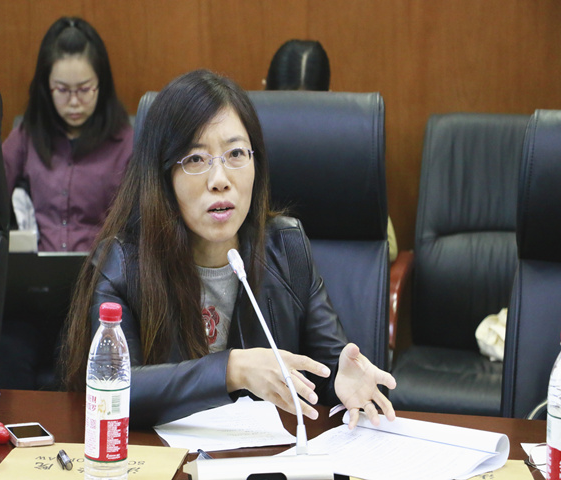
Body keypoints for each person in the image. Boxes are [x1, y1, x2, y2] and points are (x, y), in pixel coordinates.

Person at [62, 69, 396, 429]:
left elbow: (326, 370)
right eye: (195, 159)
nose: (220, 180)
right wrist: (231, 369)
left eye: (236, 153)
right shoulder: (122, 264)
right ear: (162, 176)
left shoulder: (286, 248)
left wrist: (341, 379)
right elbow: (112, 390)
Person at [3, 16, 133, 252]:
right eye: (62, 90)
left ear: (101, 84)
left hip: (104, 270)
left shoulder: (126, 143)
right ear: (47, 87)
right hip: (37, 269)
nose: (74, 102)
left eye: (84, 89)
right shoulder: (27, 136)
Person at [265, 39, 398, 261]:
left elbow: (387, 247)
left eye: (305, 108)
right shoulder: (243, 150)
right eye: (285, 108)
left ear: (328, 97)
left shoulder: (346, 149)